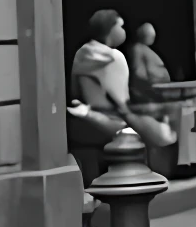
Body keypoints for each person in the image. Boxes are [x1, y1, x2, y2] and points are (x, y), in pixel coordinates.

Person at [71, 10, 174, 148]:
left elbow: (74, 89)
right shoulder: (114, 57)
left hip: (90, 113)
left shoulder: (82, 53)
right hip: (112, 119)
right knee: (167, 126)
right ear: (110, 29)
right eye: (120, 26)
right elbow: (122, 103)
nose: (123, 31)